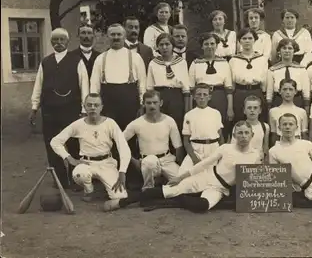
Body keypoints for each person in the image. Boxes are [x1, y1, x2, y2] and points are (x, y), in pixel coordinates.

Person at [103, 120, 262, 213]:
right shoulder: (225, 148)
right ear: (234, 135)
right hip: (206, 176)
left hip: (220, 188)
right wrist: (181, 177)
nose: (243, 136)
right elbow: (203, 164)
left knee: (202, 207)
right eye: (239, 133)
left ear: (252, 135)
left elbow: (253, 180)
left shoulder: (256, 155)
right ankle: (124, 201)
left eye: (246, 133)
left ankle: (175, 201)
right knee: (169, 190)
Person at [30, 28, 89, 189]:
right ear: (51, 42)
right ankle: (59, 180)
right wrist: (35, 107)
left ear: (68, 42)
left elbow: (84, 85)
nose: (58, 43)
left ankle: (76, 178)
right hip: (50, 111)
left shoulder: (77, 60)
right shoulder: (45, 62)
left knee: (74, 145)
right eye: (55, 40)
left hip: (71, 111)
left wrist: (85, 109)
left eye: (62, 39)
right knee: (52, 145)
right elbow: (38, 85)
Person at [90, 23, 147, 187]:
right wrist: (95, 107)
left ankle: (132, 178)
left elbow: (142, 84)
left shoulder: (135, 58)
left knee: (129, 139)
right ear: (108, 37)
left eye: (119, 35)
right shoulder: (101, 58)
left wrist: (142, 104)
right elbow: (94, 85)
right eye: (112, 35)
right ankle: (111, 177)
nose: (116, 38)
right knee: (110, 140)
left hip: (129, 103)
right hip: (108, 104)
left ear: (124, 36)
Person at [50, 93, 130, 203]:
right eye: (89, 105)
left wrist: (122, 172)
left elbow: (124, 148)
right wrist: (69, 158)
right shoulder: (78, 124)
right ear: (84, 106)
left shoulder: (110, 123)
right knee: (80, 174)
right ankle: (89, 190)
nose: (93, 108)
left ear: (101, 107)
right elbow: (55, 142)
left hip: (107, 163)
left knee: (119, 197)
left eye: (96, 105)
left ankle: (105, 188)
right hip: (87, 163)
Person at [123, 90, 184, 190]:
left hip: (167, 160)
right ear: (143, 104)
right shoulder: (137, 123)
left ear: (161, 103)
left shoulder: (169, 121)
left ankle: (161, 184)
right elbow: (120, 141)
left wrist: (179, 164)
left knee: (182, 182)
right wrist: (133, 160)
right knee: (150, 162)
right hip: (148, 161)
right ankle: (148, 189)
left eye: (155, 102)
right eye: (148, 103)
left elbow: (178, 146)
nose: (152, 106)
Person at [188, 32, 234, 139]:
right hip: (201, 97)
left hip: (219, 97)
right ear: (202, 46)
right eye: (206, 44)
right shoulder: (195, 63)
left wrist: (230, 108)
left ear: (217, 45)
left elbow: (229, 89)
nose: (210, 46)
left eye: (212, 44)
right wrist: (190, 108)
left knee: (220, 127)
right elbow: (191, 89)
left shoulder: (224, 63)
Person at [146, 33, 191, 132]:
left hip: (176, 97)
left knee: (176, 126)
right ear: (157, 47)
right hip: (159, 97)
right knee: (160, 127)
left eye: (167, 44)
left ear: (172, 46)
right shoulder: (153, 63)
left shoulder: (181, 62)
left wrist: (187, 111)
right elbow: (149, 88)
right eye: (161, 45)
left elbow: (186, 89)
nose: (164, 47)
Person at [179, 83, 225, 175]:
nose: (202, 97)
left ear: (209, 97)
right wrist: (194, 159)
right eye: (199, 94)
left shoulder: (216, 113)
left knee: (213, 176)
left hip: (213, 149)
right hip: (196, 150)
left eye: (205, 94)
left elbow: (220, 137)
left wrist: (221, 155)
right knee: (182, 175)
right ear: (194, 97)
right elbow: (186, 141)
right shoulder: (189, 115)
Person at [229, 27, 268, 123]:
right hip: (239, 93)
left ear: (254, 40)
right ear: (239, 41)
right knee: (240, 122)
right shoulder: (233, 60)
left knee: (257, 122)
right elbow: (232, 83)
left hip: (256, 92)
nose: (247, 41)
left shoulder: (262, 59)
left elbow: (265, 81)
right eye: (244, 38)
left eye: (250, 38)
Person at [267, 38, 310, 110]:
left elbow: (306, 90)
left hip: (297, 101)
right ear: (279, 51)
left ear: (294, 51)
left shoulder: (301, 69)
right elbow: (269, 91)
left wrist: (307, 107)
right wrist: (269, 107)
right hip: (278, 100)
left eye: (290, 48)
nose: (287, 51)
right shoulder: (273, 70)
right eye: (284, 48)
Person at [269, 79, 308, 147]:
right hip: (280, 145)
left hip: (297, 145)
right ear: (279, 91)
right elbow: (273, 134)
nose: (287, 92)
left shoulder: (301, 112)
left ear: (295, 91)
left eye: (290, 89)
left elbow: (304, 133)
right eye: (284, 89)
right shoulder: (273, 111)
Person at [230, 96, 270, 163]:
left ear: (260, 110)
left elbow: (265, 147)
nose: (252, 110)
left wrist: (266, 161)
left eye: (255, 108)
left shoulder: (265, 127)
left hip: (258, 161)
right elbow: (233, 146)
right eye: (249, 108)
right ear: (244, 111)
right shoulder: (238, 126)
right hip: (242, 160)